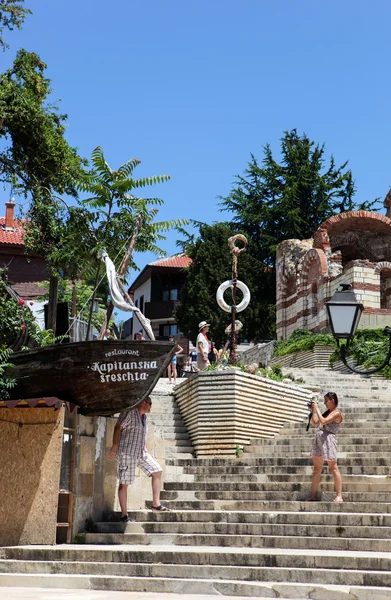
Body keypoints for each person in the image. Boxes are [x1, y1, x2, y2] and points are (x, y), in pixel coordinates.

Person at [108, 396, 170, 521]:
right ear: (143, 402)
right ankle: (124, 515)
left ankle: (156, 504)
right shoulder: (130, 413)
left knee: (157, 471)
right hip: (127, 452)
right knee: (124, 483)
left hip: (141, 452)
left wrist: (145, 448)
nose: (151, 406)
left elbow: (141, 435)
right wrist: (114, 446)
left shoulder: (144, 418)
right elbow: (118, 427)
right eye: (150, 403)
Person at [306, 392, 344, 503]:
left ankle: (339, 496)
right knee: (317, 469)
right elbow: (315, 423)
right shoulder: (327, 412)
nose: (324, 403)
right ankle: (313, 495)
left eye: (326, 400)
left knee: (333, 468)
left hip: (329, 440)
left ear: (332, 400)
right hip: (319, 439)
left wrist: (317, 408)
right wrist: (312, 412)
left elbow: (323, 421)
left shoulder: (337, 413)